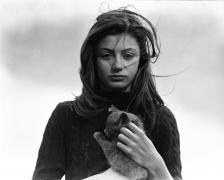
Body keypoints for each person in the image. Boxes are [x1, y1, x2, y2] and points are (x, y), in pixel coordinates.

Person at [32, 8, 182, 180]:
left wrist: (155, 163)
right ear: (93, 59)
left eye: (128, 55)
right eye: (106, 55)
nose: (117, 64)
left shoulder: (160, 119)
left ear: (141, 60)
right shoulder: (67, 115)